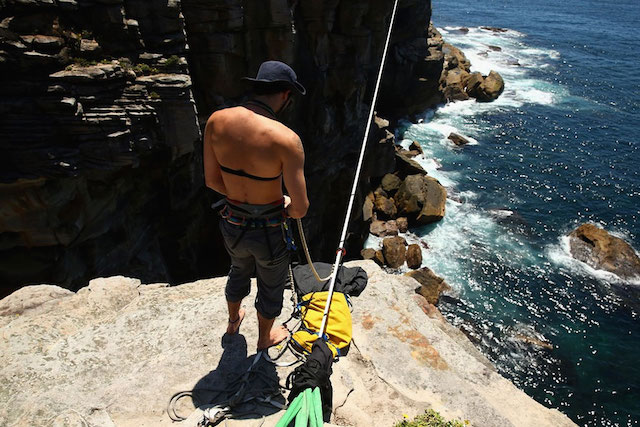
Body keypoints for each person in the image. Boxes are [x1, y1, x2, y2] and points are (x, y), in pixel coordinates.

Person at [203, 61, 309, 350]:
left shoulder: (216, 121)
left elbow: (212, 181)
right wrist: (280, 201)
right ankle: (264, 338)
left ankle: (233, 321)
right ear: (286, 95)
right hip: (269, 230)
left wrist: (242, 194)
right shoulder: (286, 139)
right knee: (271, 284)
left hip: (232, 222)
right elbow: (300, 209)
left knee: (238, 268)